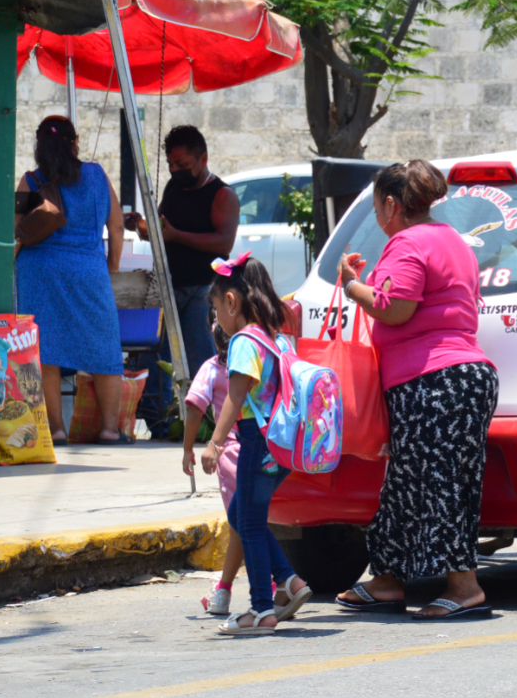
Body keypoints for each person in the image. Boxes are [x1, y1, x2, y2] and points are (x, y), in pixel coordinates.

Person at [334, 160, 499, 621]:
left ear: (391, 203)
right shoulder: (451, 240)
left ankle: (464, 587)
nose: (376, 216)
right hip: (461, 377)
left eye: (375, 207)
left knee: (440, 484)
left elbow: (395, 307)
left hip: (433, 380)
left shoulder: (406, 242)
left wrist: (352, 287)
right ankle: (387, 579)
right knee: (407, 482)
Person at [201, 253, 310, 634]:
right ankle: (289, 581)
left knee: (247, 520)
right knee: (245, 517)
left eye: (217, 310)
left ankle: (262, 611)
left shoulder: (244, 341)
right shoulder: (274, 337)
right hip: (279, 445)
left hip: (255, 440)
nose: (217, 321)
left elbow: (235, 396)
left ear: (231, 302)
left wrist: (214, 443)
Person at [15, 116, 129, 445]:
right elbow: (117, 226)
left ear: (39, 146)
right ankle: (109, 429)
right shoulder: (95, 175)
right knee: (104, 347)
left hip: (40, 272)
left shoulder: (30, 180)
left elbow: (15, 230)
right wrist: (111, 267)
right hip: (89, 271)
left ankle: (56, 430)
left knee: (46, 352)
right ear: (75, 142)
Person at [128, 126, 240, 437]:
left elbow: (223, 242)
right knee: (157, 358)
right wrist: (143, 228)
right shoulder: (173, 190)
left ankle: (210, 425)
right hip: (168, 286)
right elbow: (162, 232)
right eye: (171, 165)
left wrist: (177, 235)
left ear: (203, 159)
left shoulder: (222, 195)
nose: (176, 171)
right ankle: (161, 423)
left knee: (201, 359)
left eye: (183, 165)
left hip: (204, 289)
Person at [183, 323, 246, 615]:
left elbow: (195, 408)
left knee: (242, 525)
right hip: (265, 447)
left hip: (230, 451)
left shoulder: (211, 368)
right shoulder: (255, 362)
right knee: (252, 523)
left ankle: (228, 590)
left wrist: (187, 449)